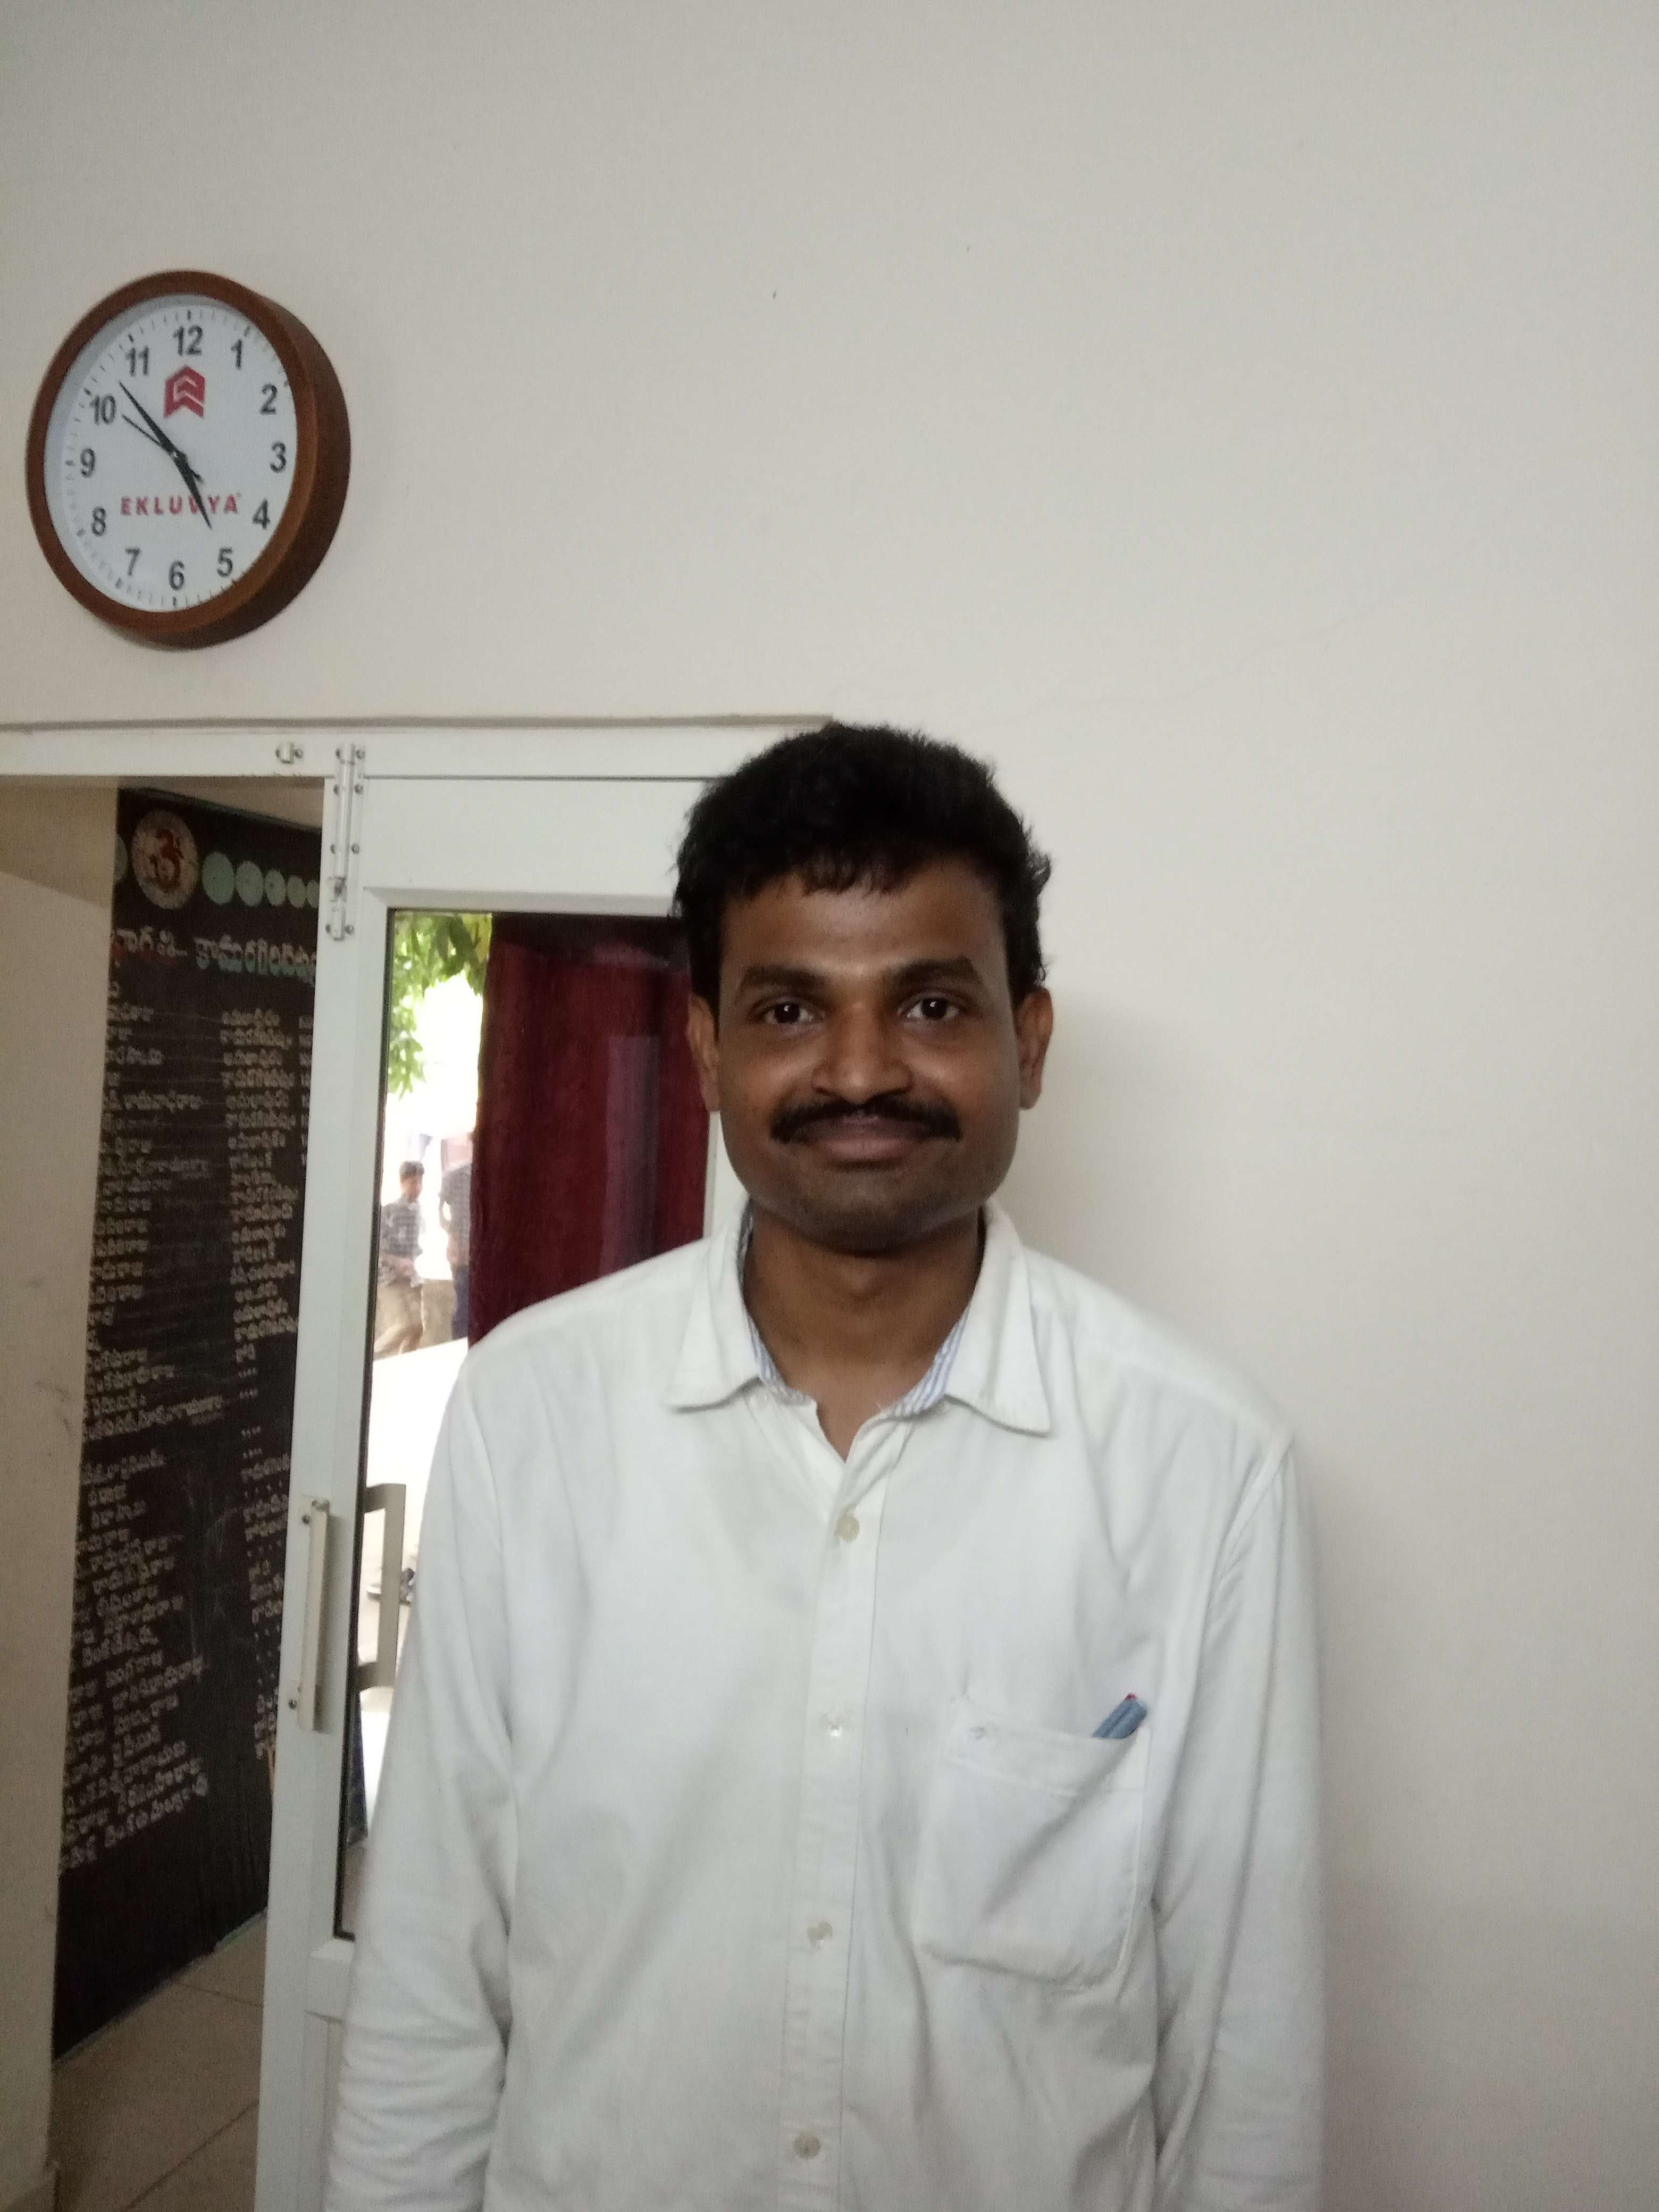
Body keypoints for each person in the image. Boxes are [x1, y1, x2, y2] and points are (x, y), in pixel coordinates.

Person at [328, 725, 1323, 2211]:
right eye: (791, 1009)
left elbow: (1248, 2052)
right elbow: (431, 1955)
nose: (860, 1070)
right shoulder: (533, 1411)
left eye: (930, 1003)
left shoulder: (1201, 1470)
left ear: (1028, 1041)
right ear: (708, 1050)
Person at [372, 1160, 425, 1357]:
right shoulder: (390, 1210)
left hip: (410, 1277)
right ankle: (371, 1357)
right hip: (389, 1278)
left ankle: (405, 1364)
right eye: (413, 1183)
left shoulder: (417, 1211)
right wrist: (398, 1262)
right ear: (403, 1183)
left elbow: (414, 1247)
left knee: (417, 1327)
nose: (418, 1188)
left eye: (420, 1182)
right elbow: (377, 1246)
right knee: (404, 1324)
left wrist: (410, 1265)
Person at [439, 1141, 473, 1342]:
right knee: (464, 1306)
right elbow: (439, 1210)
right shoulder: (456, 1175)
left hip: (490, 1253)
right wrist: (451, 1236)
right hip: (463, 1252)